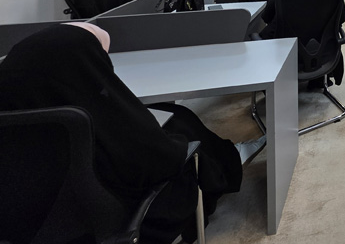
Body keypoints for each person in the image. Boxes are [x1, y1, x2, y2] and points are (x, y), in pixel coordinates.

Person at [0, 24, 242, 244]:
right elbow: (158, 159)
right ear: (88, 66)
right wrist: (177, 145)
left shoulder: (25, 122)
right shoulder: (88, 122)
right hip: (114, 215)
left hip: (31, 224)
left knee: (177, 118)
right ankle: (230, 164)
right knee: (183, 129)